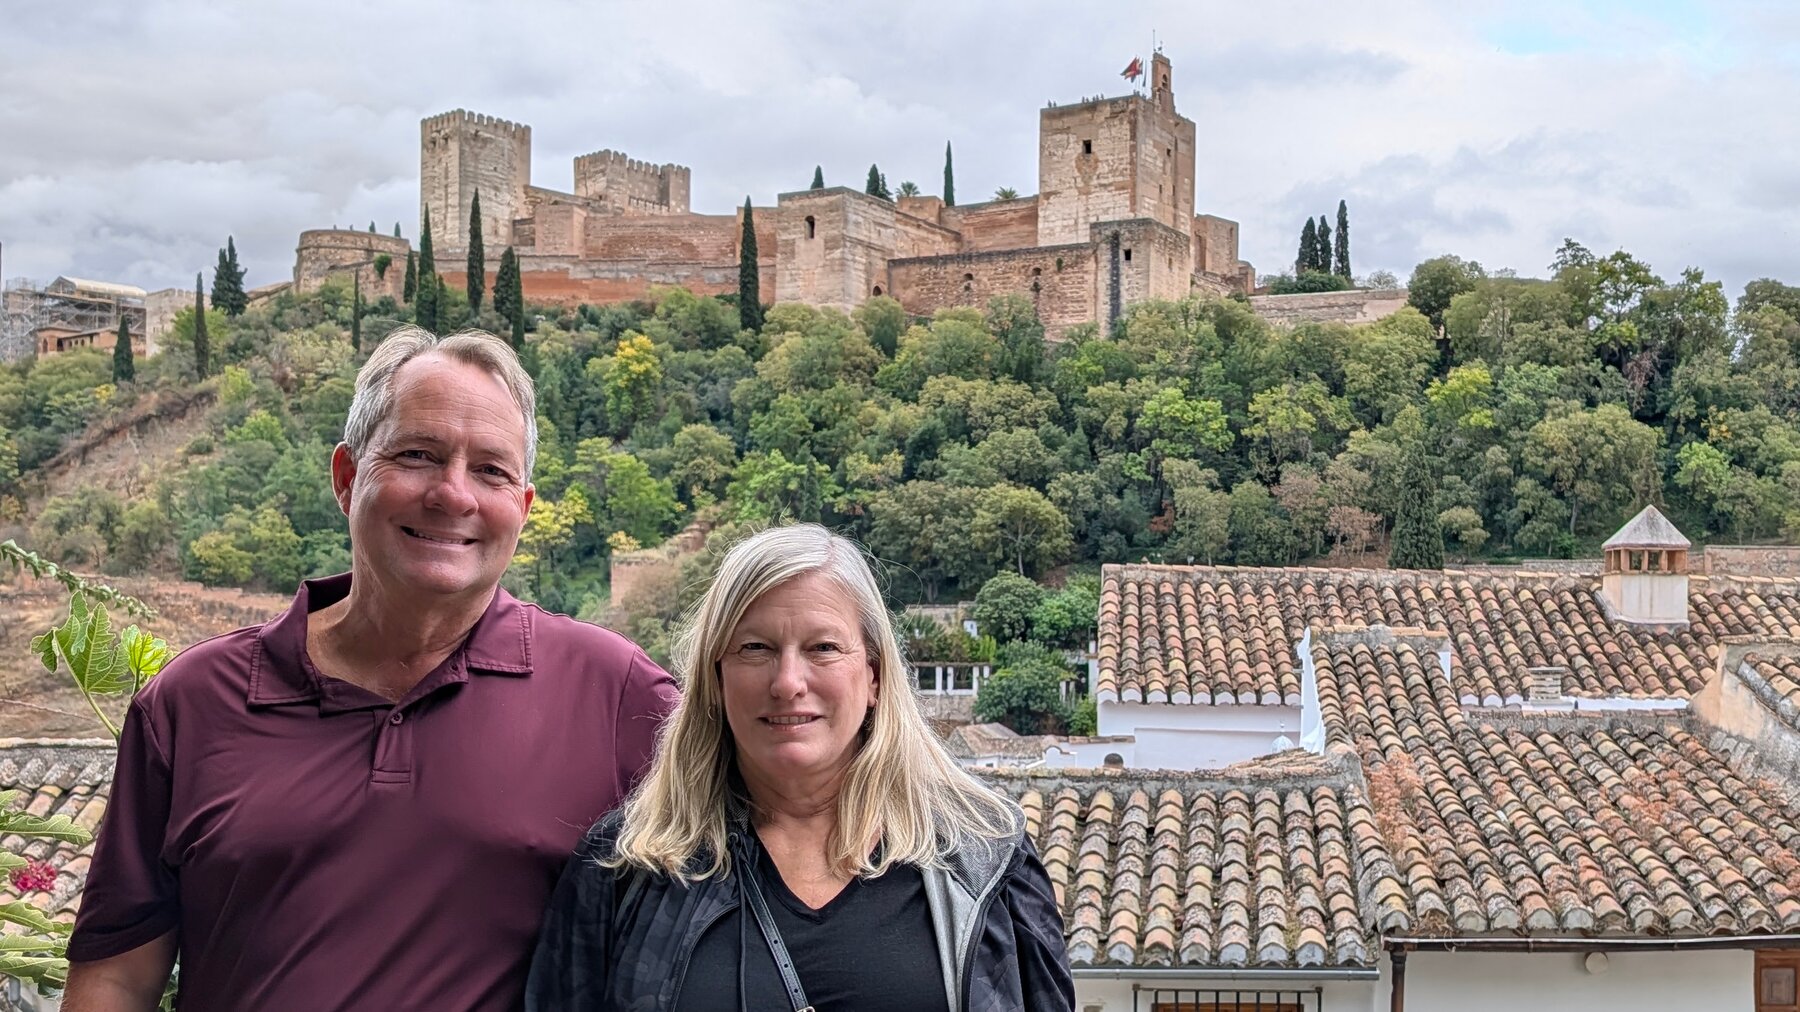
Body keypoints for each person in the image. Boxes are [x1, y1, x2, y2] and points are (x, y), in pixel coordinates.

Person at [63, 328, 679, 1011]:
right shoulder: (191, 704)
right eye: (418, 455)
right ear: (347, 477)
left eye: (491, 471)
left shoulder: (615, 693)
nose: (453, 494)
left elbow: (781, 843)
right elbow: (115, 979)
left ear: (523, 509)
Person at [526, 523, 1074, 1012]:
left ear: (875, 677)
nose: (788, 682)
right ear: (716, 679)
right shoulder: (624, 870)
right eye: (756, 647)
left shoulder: (986, 860)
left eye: (824, 647)